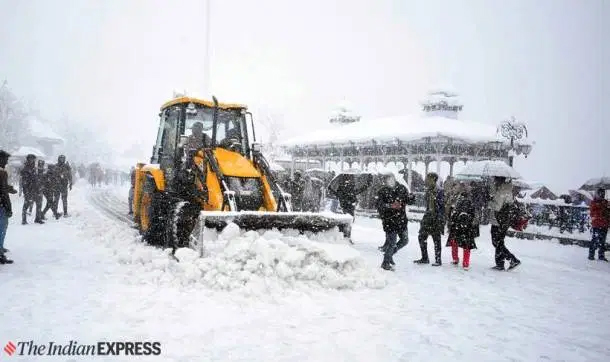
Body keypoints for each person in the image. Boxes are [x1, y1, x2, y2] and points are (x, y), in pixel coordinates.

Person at [376, 171, 415, 271]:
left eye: (389, 179)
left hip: (401, 220)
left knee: (405, 240)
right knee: (392, 242)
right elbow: (378, 205)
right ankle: (385, 262)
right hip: (389, 220)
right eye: (385, 180)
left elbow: (409, 201)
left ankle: (390, 254)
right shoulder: (382, 191)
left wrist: (411, 198)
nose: (387, 181)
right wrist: (390, 206)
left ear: (394, 178)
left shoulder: (402, 188)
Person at [490, 176, 521, 270]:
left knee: (497, 242)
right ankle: (500, 263)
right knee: (499, 242)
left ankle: (512, 259)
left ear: (499, 180)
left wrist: (490, 202)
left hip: (498, 220)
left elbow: (497, 206)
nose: (494, 181)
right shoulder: (506, 189)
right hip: (504, 220)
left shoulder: (502, 191)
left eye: (495, 179)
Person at [414, 172, 444, 266]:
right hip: (428, 216)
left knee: (436, 239)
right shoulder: (428, 190)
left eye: (428, 178)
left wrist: (440, 218)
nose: (426, 180)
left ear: (433, 179)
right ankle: (425, 257)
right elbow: (427, 204)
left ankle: (438, 260)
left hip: (436, 217)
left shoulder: (439, 191)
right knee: (421, 237)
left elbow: (442, 206)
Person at [447, 182, 479, 270]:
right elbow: (474, 215)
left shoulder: (457, 199)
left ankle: (456, 259)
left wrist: (452, 218)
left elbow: (452, 212)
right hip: (466, 226)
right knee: (466, 245)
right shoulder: (470, 201)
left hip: (458, 224)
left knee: (455, 242)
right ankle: (465, 263)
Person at [0, 150, 18, 264]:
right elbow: (2, 191)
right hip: (1, 204)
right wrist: (8, 207)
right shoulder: (2, 173)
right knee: (1, 229)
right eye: (5, 160)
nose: (6, 162)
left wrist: (8, 188)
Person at [20, 154, 43, 224]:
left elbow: (36, 178)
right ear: (28, 159)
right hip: (29, 190)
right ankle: (24, 220)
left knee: (39, 203)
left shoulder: (34, 168)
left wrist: (39, 186)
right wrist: (26, 192)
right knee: (26, 205)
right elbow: (24, 183)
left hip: (36, 189)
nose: (32, 160)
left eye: (33, 159)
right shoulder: (25, 169)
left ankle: (37, 218)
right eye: (30, 159)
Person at [588, 188, 609, 261]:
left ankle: (601, 256)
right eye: (600, 193)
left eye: (603, 193)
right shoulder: (594, 203)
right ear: (597, 194)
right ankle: (591, 255)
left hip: (605, 224)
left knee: (602, 241)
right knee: (595, 241)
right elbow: (592, 213)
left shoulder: (606, 202)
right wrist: (602, 212)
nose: (601, 195)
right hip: (597, 225)